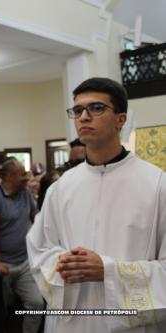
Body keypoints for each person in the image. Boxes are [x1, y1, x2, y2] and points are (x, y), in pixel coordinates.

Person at [27, 77, 166, 332]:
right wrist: (63, 263)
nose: (84, 117)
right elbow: (39, 247)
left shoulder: (158, 185)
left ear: (121, 119)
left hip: (129, 323)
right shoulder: (62, 187)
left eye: (96, 108)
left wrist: (108, 270)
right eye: (78, 110)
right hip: (72, 320)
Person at [0, 157, 43, 333]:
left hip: (24, 261)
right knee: (3, 311)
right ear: (10, 176)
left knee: (36, 303)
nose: (27, 177)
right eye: (22, 174)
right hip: (4, 264)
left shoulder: (25, 192)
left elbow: (35, 216)